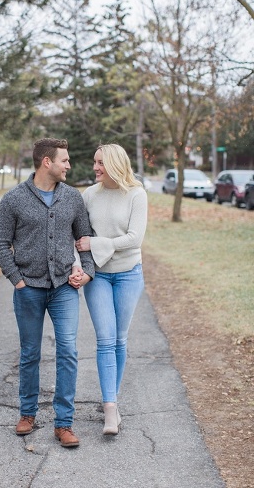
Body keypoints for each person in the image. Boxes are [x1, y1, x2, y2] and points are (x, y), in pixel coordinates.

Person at [0, 138, 95, 448]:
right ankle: (27, 413)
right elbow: (0, 243)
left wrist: (86, 270)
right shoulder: (13, 200)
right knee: (30, 354)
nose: (68, 165)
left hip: (64, 288)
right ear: (46, 162)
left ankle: (63, 423)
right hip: (28, 290)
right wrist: (17, 280)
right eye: (64, 160)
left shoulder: (73, 198)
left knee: (68, 351)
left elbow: (85, 238)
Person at [70, 143, 148, 436]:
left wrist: (98, 244)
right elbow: (80, 238)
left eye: (100, 163)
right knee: (105, 340)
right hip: (98, 276)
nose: (95, 168)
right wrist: (80, 264)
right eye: (94, 162)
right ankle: (111, 410)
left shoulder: (136, 195)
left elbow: (134, 238)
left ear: (114, 163)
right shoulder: (90, 195)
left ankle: (111, 400)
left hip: (129, 274)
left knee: (120, 338)